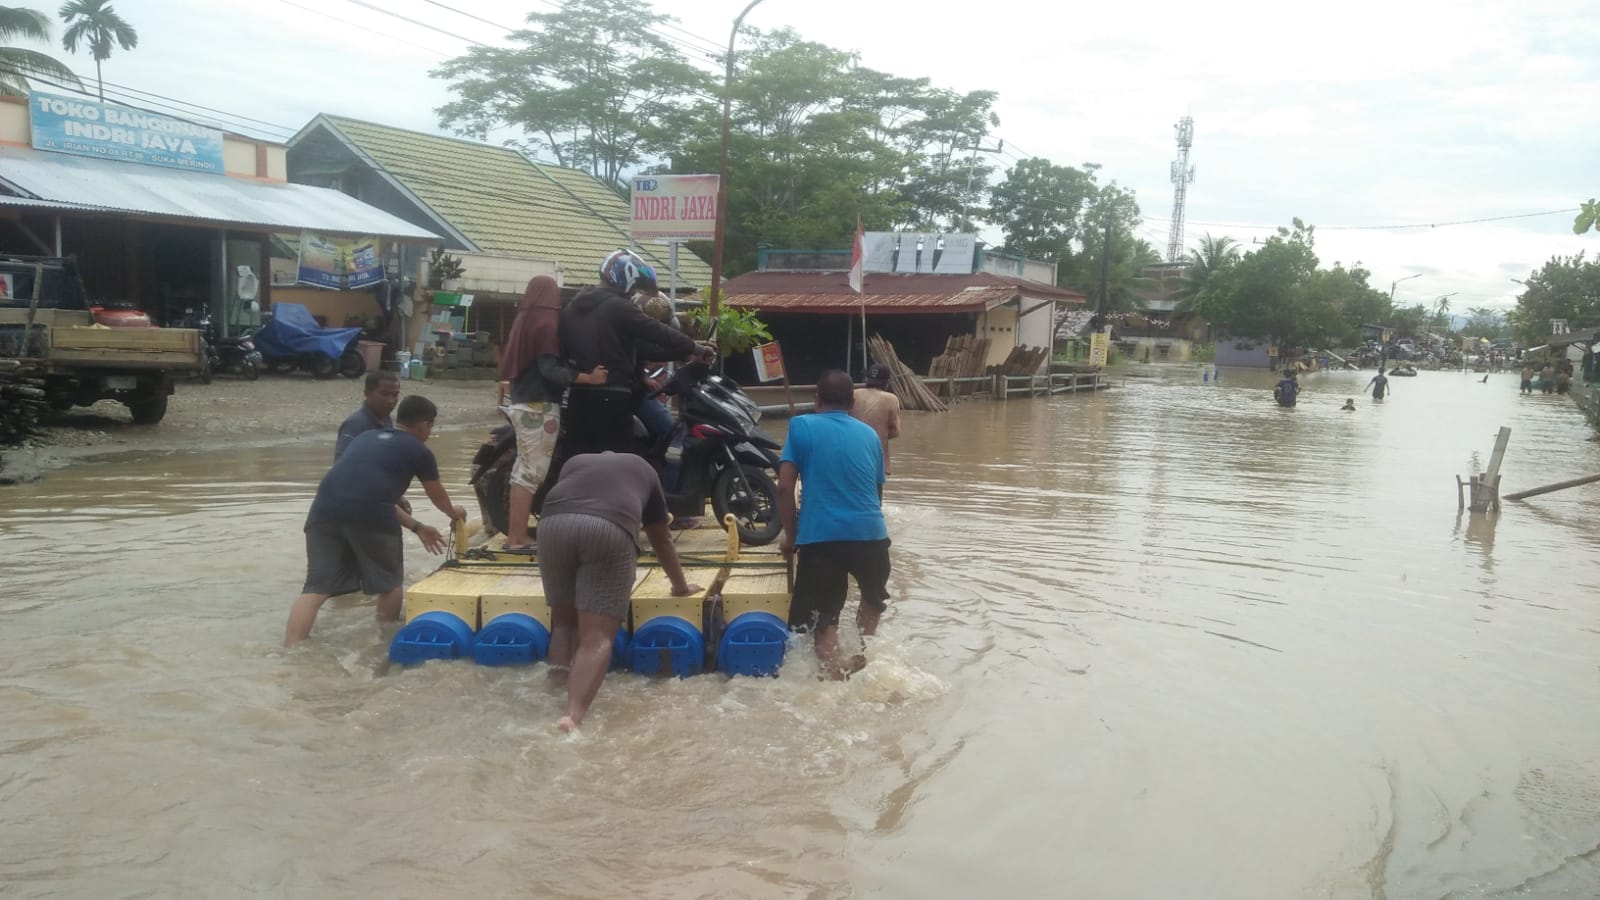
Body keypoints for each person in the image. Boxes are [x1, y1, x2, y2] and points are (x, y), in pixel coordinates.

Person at [531, 249, 709, 514]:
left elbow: (638, 347)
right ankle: (620, 517)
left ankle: (570, 513)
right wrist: (694, 347)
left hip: (581, 394)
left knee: (578, 462)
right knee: (620, 466)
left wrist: (686, 351)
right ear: (624, 280)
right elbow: (655, 332)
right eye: (634, 286)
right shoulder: (618, 307)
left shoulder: (572, 309)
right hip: (613, 396)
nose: (633, 293)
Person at [538, 451, 701, 731]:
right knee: (597, 636)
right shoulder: (647, 472)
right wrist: (681, 587)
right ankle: (572, 716)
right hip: (606, 528)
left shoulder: (574, 461)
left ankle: (553, 696)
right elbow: (661, 540)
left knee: (563, 624)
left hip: (551, 526)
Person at [285, 396, 467, 646]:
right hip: (370, 519)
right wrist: (452, 512)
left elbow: (371, 497)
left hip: (322, 515)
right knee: (390, 584)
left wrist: (418, 527)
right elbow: (436, 495)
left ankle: (291, 649)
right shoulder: (419, 450)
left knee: (316, 589)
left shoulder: (365, 438)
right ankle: (383, 642)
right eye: (430, 426)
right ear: (426, 424)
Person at [778, 370, 891, 680]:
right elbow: (876, 490)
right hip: (872, 533)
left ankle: (832, 678)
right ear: (852, 403)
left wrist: (791, 536)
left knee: (823, 617)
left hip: (822, 538)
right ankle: (863, 653)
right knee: (873, 597)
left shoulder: (801, 425)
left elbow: (785, 487)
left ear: (817, 399)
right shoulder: (869, 434)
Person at [495, 275, 607, 553]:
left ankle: (515, 535)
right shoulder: (545, 324)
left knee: (523, 471)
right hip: (539, 406)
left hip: (523, 402)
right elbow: (550, 370)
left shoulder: (524, 319)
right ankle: (517, 538)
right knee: (531, 473)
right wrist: (587, 378)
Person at [851, 363, 902, 485]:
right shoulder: (891, 399)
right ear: (887, 383)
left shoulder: (854, 394)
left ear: (867, 379)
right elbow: (895, 431)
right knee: (874, 497)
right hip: (875, 457)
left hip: (851, 454)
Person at [335, 371, 400, 460]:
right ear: (367, 394)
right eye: (385, 394)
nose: (391, 401)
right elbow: (340, 463)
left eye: (395, 395)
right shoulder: (355, 424)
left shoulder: (387, 421)